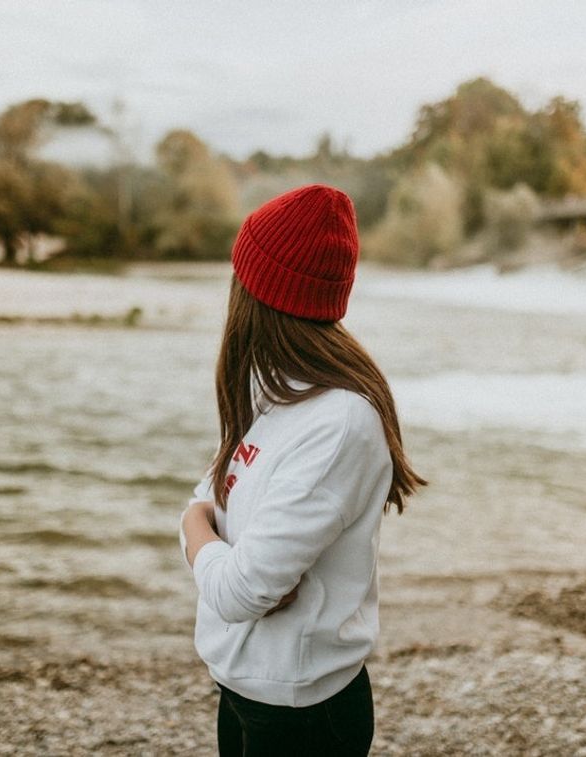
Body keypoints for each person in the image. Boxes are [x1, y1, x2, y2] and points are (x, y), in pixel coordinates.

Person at [180, 184, 426, 756]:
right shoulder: (277, 387)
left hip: (302, 712)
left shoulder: (339, 423)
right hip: (243, 686)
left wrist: (202, 533)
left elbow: (240, 591)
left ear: (261, 293)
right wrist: (204, 528)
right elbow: (206, 498)